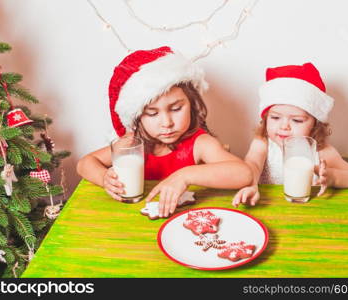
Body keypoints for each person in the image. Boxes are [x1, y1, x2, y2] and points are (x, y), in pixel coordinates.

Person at [76, 46, 253, 217]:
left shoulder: (200, 144)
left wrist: (185, 176)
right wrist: (104, 178)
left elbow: (243, 174)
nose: (167, 123)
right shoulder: (132, 144)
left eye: (176, 109)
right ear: (137, 117)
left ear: (191, 104)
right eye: (152, 113)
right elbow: (84, 163)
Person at [232, 62, 348, 207]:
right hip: (270, 208)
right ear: (265, 119)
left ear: (315, 124)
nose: (284, 126)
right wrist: (251, 185)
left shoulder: (321, 150)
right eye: (275, 118)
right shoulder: (262, 143)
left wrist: (333, 177)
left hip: (308, 214)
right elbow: (252, 165)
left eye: (297, 120)